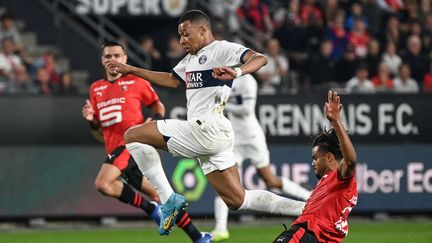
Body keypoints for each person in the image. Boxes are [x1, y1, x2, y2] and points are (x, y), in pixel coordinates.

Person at [106, 10, 305, 236]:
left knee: (133, 135)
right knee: (237, 199)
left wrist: (237, 71)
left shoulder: (221, 49)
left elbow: (261, 58)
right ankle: (306, 208)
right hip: (215, 134)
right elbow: (172, 80)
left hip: (205, 129)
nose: (181, 40)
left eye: (186, 34)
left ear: (203, 30)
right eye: (180, 35)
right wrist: (131, 69)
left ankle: (168, 200)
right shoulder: (190, 60)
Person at [81, 40, 211, 243]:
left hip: (133, 146)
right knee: (161, 196)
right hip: (116, 151)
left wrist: (153, 123)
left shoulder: (136, 82)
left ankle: (150, 209)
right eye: (108, 56)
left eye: (117, 55)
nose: (112, 59)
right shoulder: (96, 89)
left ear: (124, 59)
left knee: (103, 183)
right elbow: (99, 132)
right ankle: (198, 237)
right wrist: (91, 122)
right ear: (102, 60)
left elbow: (158, 106)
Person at [211, 74, 311, 241]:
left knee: (270, 180)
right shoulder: (222, 79)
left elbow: (246, 109)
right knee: (226, 183)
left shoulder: (247, 80)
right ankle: (220, 229)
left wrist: (222, 104)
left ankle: (309, 198)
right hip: (234, 139)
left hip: (252, 138)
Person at [273, 90, 358, 243]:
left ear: (330, 157)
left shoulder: (340, 178)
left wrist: (336, 123)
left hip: (306, 234)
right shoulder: (328, 185)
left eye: (316, 158)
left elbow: (350, 161)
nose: (313, 163)